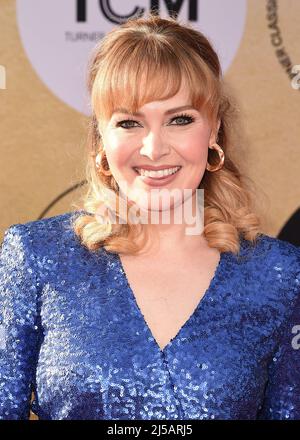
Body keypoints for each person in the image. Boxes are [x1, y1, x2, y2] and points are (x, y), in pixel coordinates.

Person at [0, 13, 299, 421]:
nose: (154, 148)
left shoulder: (280, 275)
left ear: (213, 130)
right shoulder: (35, 257)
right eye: (129, 122)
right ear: (101, 139)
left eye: (180, 119)